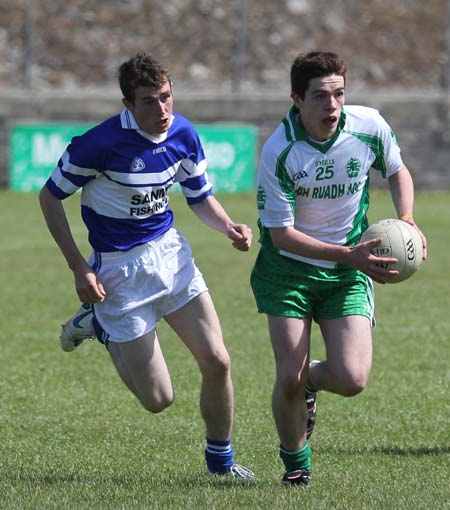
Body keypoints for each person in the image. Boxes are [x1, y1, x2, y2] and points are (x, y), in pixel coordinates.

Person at [39, 52, 255, 481]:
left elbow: (198, 196)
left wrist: (229, 225)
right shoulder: (97, 145)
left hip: (171, 257)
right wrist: (78, 266)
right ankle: (99, 325)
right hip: (119, 273)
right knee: (158, 400)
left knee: (218, 361)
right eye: (149, 102)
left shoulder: (183, 134)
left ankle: (221, 464)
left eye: (167, 97)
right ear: (127, 104)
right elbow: (49, 198)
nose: (162, 110)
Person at [250, 51, 427, 487]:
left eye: (338, 94)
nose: (332, 105)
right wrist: (349, 255)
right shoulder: (280, 149)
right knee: (285, 379)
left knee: (352, 379)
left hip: (346, 271)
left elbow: (398, 171)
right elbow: (282, 237)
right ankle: (296, 466)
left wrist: (405, 220)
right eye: (320, 97)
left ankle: (311, 380)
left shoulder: (369, 127)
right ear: (297, 99)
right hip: (288, 271)